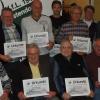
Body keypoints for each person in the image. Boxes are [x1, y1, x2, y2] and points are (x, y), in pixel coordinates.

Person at [0, 7, 22, 99]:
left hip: (18, 63)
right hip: (5, 65)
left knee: (18, 88)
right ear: (1, 17)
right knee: (8, 90)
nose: (9, 18)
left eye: (10, 16)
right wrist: (1, 57)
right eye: (6, 16)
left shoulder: (17, 27)